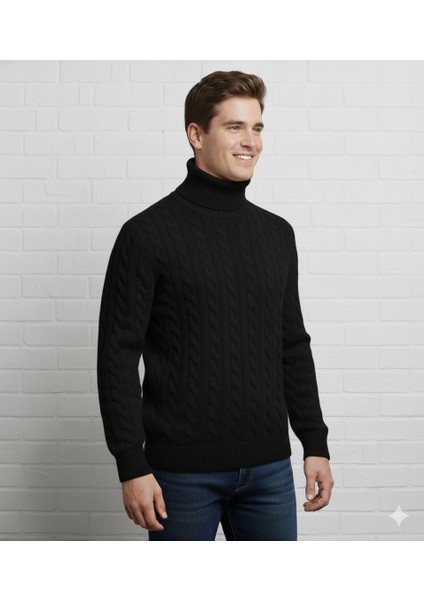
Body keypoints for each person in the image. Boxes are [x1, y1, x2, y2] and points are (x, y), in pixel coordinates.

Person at [97, 70, 334, 541]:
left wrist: (315, 442)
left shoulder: (276, 234)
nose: (251, 141)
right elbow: (116, 357)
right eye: (234, 127)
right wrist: (131, 464)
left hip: (269, 470)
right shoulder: (146, 235)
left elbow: (292, 344)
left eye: (257, 127)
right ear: (196, 134)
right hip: (179, 476)